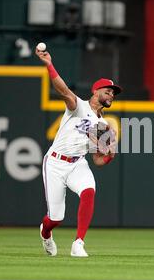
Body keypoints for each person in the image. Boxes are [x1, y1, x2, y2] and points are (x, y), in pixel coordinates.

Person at [35, 47, 121, 257]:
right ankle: (45, 234)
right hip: (55, 163)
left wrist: (109, 155)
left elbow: (98, 161)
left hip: (77, 163)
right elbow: (63, 90)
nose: (111, 94)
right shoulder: (78, 107)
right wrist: (49, 65)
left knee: (89, 190)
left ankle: (78, 243)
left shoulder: (102, 126)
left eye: (113, 92)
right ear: (96, 91)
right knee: (55, 219)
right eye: (107, 90)